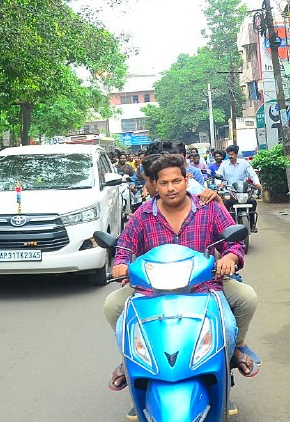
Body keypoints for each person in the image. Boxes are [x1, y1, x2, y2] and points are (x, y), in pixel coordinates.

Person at [104, 152, 261, 396]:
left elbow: (234, 243)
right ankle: (130, 360)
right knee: (113, 306)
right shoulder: (143, 215)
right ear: (155, 185)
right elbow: (124, 246)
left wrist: (230, 257)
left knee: (242, 304)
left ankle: (234, 350)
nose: (170, 188)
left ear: (186, 180)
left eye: (176, 181)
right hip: (152, 289)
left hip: (205, 285)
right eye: (163, 183)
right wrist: (121, 263)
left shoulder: (209, 209)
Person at [219, 145, 261, 233]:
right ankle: (227, 225)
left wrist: (257, 183)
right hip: (230, 191)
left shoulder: (244, 163)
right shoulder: (224, 164)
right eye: (229, 154)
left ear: (236, 154)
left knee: (253, 202)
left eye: (232, 154)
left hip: (243, 192)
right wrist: (219, 183)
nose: (230, 156)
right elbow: (219, 175)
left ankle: (252, 224)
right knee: (225, 203)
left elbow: (252, 174)